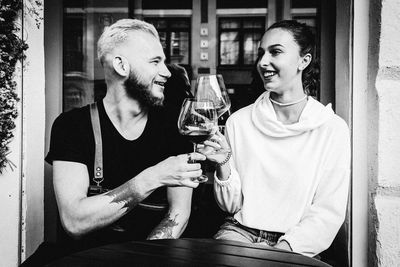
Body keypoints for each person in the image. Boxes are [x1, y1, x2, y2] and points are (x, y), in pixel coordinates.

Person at [45, 19, 205, 252]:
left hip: (153, 257)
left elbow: (178, 214)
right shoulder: (71, 126)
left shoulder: (175, 126)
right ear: (121, 65)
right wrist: (154, 177)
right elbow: (74, 222)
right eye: (155, 62)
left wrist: (141, 259)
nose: (166, 72)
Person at [201, 20, 350, 257]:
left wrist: (281, 251)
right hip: (239, 234)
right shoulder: (238, 122)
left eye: (275, 52)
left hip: (297, 245)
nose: (262, 62)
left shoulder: (332, 128)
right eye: (261, 53)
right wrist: (223, 165)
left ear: (304, 60)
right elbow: (231, 206)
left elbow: (327, 213)